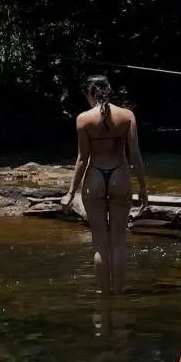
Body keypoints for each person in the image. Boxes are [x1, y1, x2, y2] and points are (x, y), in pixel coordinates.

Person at [62, 75, 149, 294]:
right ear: (108, 90)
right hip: (120, 174)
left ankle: (104, 296)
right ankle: (119, 294)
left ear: (89, 93)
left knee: (100, 243)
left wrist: (71, 192)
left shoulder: (83, 119)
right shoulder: (127, 116)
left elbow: (82, 159)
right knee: (118, 241)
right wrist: (143, 186)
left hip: (95, 176)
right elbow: (135, 155)